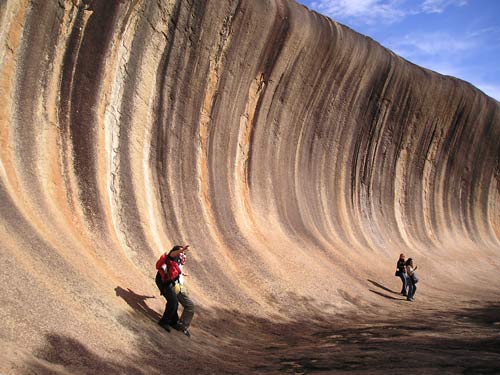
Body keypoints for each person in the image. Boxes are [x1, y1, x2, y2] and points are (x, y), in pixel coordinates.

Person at [155, 245, 189, 332]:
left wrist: (182, 274)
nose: (182, 254)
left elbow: (175, 269)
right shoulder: (171, 256)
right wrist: (182, 249)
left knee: (174, 302)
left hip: (169, 282)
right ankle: (164, 322)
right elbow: (172, 253)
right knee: (173, 301)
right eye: (180, 252)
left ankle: (173, 322)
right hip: (163, 282)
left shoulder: (178, 260)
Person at [171, 250, 195, 337]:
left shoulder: (179, 263)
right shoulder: (175, 260)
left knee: (186, 305)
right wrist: (182, 250)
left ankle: (179, 323)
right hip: (177, 287)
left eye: (185, 254)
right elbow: (172, 255)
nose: (184, 256)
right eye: (183, 254)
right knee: (190, 306)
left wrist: (182, 274)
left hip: (179, 286)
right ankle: (182, 325)